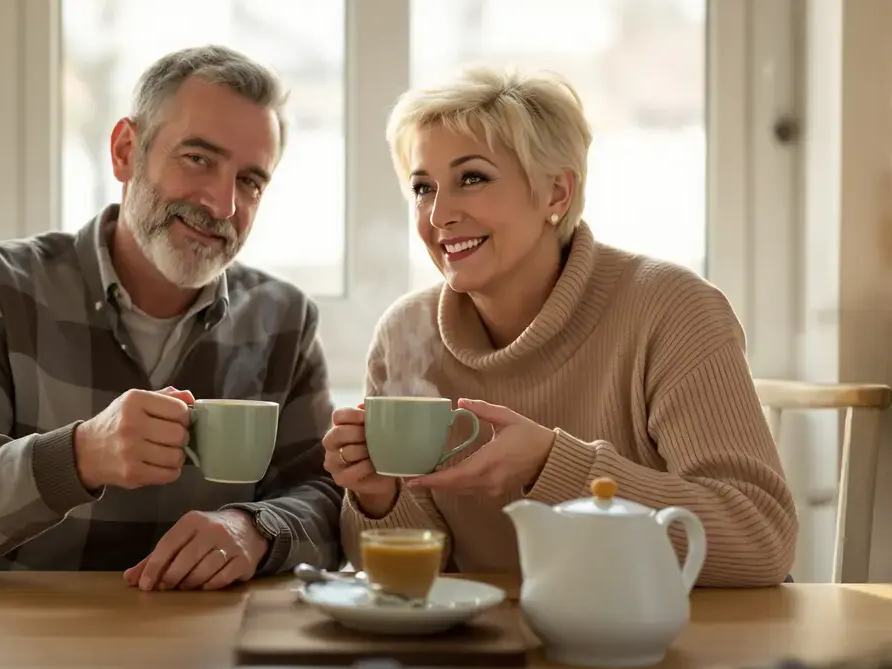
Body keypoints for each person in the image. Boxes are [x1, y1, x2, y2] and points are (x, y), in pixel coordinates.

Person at [0, 45, 342, 591]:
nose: (223, 205)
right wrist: (79, 455)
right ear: (125, 151)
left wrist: (255, 529)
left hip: (205, 647)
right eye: (199, 159)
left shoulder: (284, 319)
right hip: (21, 644)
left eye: (250, 181)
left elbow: (328, 500)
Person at [323, 66, 797, 588]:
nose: (438, 216)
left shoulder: (671, 309)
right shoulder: (405, 334)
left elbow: (760, 542)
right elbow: (416, 585)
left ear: (556, 194)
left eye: (472, 178)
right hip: (494, 654)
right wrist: (378, 496)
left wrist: (554, 464)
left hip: (662, 648)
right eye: (422, 188)